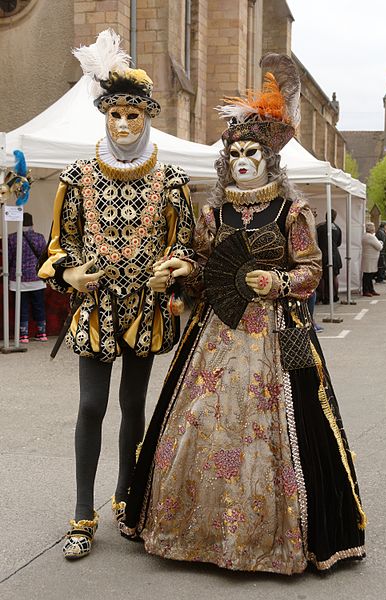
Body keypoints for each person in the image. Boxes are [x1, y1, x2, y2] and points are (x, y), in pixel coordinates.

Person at [120, 53, 366, 574]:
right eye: (236, 152)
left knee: (289, 425)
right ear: (226, 159)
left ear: (269, 159)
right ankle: (190, 529)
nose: (244, 160)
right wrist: (179, 267)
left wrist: (278, 281)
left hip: (278, 332)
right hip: (218, 331)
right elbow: (205, 263)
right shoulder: (213, 212)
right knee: (197, 418)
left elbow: (312, 269)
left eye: (253, 152)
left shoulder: (291, 212)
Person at [38, 30, 194, 559]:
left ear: (148, 117)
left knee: (133, 406)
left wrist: (171, 272)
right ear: (104, 116)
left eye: (134, 115)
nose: (124, 124)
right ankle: (83, 511)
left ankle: (127, 497)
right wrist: (70, 275)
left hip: (145, 312)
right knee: (90, 405)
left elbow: (186, 246)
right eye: (115, 115)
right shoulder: (77, 177)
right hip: (97, 309)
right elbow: (58, 248)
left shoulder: (171, 181)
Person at [8, 212, 47, 342]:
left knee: (22, 306)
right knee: (39, 305)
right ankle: (42, 333)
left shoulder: (12, 238)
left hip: (19, 278)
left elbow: (9, 258)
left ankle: (23, 335)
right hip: (37, 278)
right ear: (32, 223)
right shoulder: (40, 238)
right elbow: (44, 257)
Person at [316, 209, 342, 303]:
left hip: (323, 255)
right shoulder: (337, 228)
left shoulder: (320, 227)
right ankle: (335, 296)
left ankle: (323, 297)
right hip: (335, 255)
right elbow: (339, 243)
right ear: (335, 217)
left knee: (322, 277)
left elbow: (315, 241)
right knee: (334, 276)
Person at [361, 222, 382, 296]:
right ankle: (366, 290)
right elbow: (379, 247)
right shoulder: (371, 237)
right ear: (371, 229)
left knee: (368, 275)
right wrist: (381, 242)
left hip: (368, 258)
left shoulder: (365, 236)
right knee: (368, 275)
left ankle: (370, 289)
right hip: (370, 258)